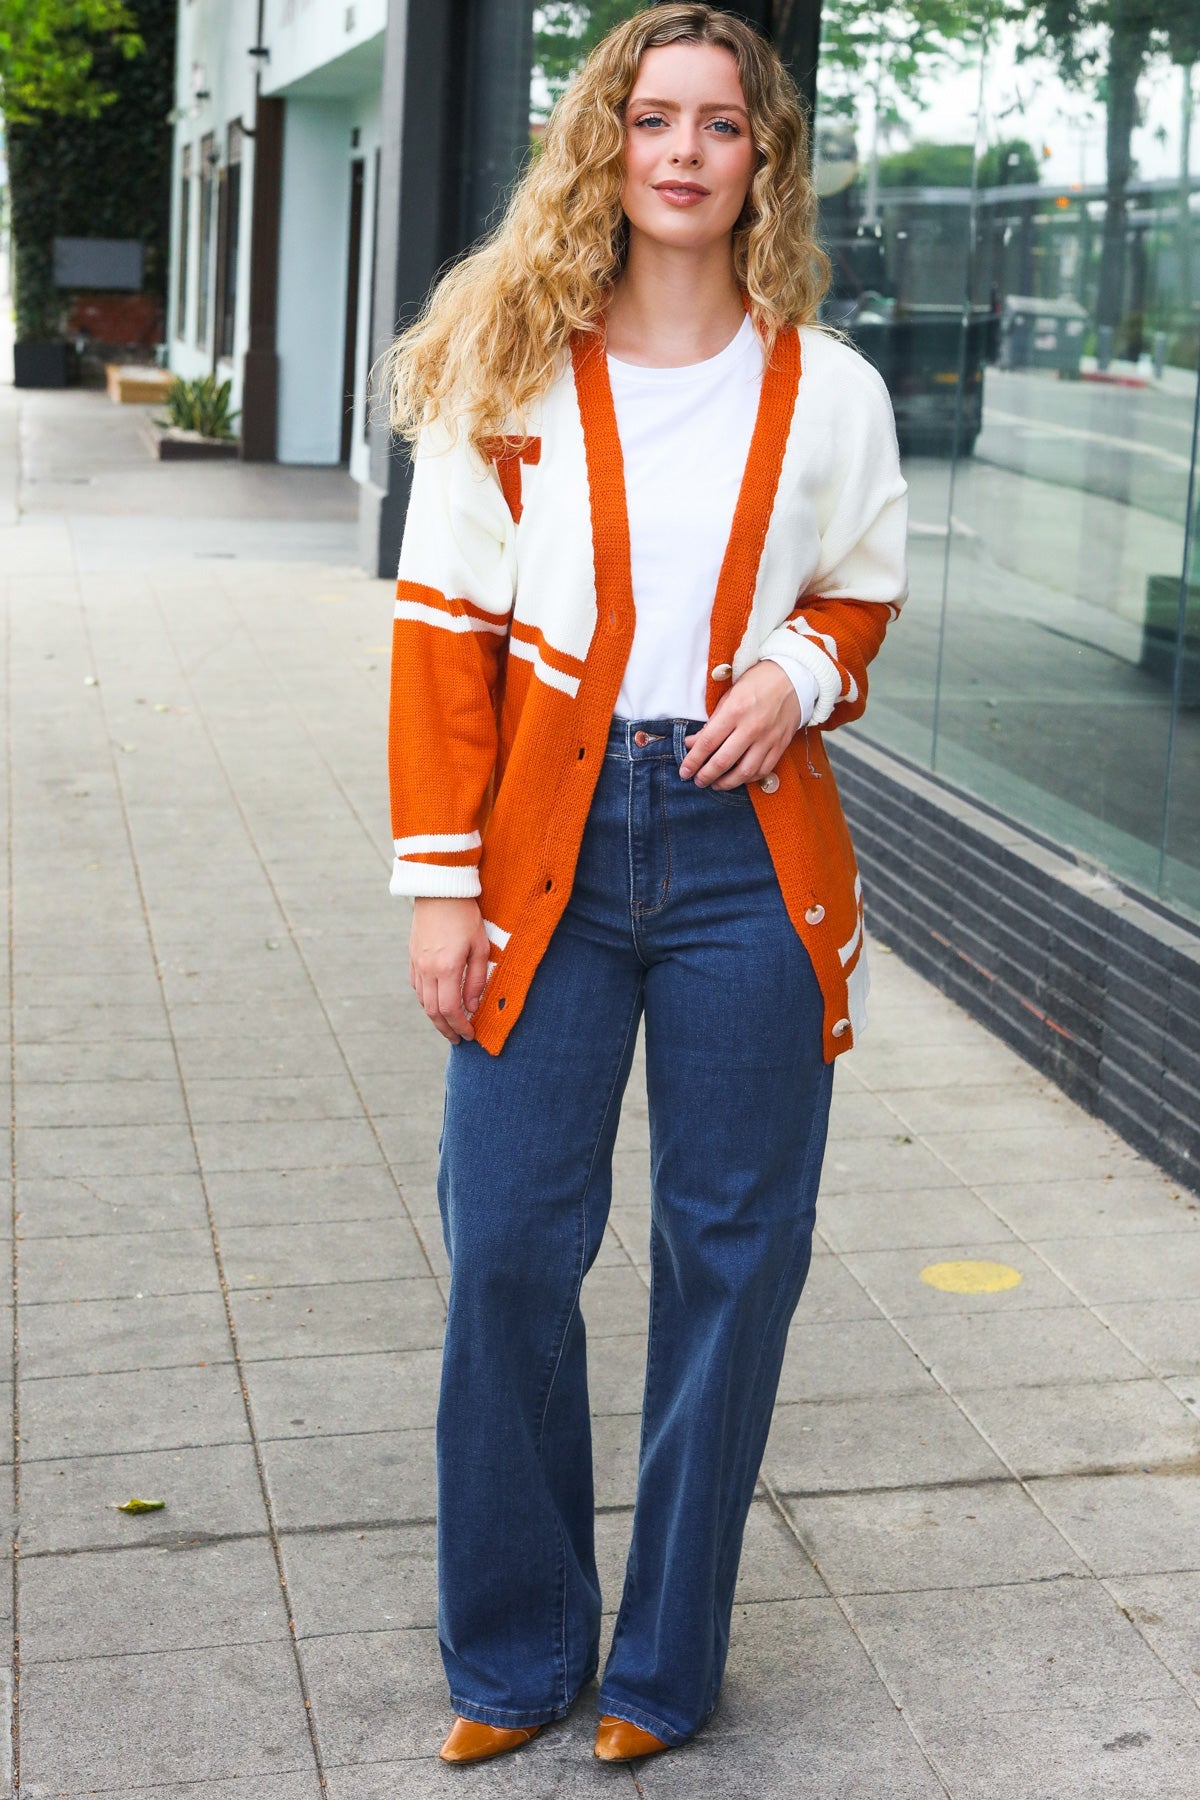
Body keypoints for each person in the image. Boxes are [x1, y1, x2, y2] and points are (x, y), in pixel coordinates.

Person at [380, 1, 908, 1768]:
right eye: (652, 118)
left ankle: (664, 1669)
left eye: (722, 125)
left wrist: (798, 679)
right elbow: (444, 645)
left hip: (745, 847)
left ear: (765, 161)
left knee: (732, 1254)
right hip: (546, 842)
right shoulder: (508, 365)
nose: (683, 151)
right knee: (512, 1246)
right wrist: (439, 889)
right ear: (605, 143)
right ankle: (516, 1656)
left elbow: (858, 595)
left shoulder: (829, 388)